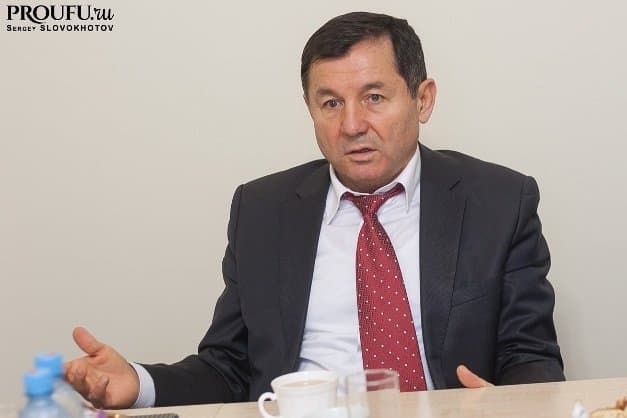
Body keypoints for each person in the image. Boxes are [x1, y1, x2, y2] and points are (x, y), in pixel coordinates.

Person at [64, 11, 565, 408]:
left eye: (374, 97)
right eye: (330, 103)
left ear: (423, 99)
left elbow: (530, 356)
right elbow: (228, 367)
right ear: (309, 109)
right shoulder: (262, 210)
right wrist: (140, 384)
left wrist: (512, 406)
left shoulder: (498, 201)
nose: (352, 125)